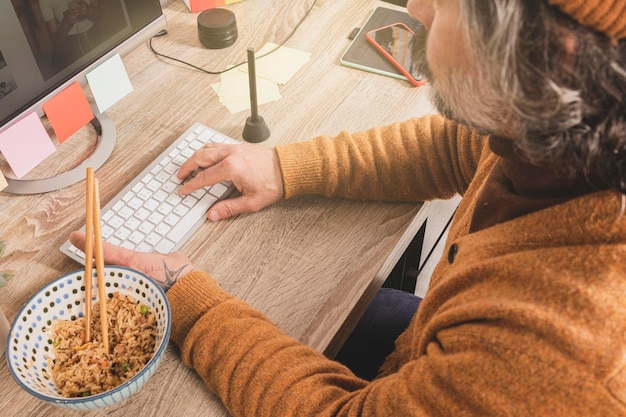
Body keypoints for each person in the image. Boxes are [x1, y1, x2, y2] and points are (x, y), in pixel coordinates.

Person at [70, 0, 626, 415]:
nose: (416, 8)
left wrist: (184, 296)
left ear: (551, 53)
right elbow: (460, 146)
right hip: (420, 349)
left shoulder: (556, 355)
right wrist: (285, 169)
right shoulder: (554, 133)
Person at [39, 0, 101, 73]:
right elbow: (56, 42)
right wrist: (65, 25)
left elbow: (99, 13)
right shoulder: (44, 1)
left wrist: (89, 10)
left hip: (96, 35)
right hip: (72, 46)